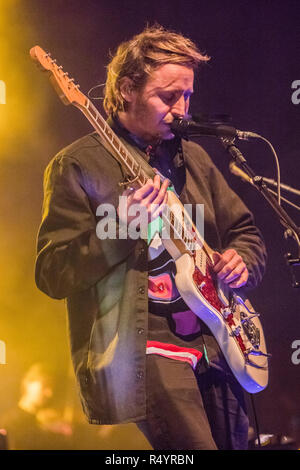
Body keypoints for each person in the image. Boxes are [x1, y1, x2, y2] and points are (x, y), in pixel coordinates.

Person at [35, 25, 267, 450]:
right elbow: (53, 273)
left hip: (217, 344)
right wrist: (123, 228)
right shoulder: (77, 166)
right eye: (168, 96)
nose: (182, 109)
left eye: (188, 96)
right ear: (127, 89)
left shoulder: (193, 159)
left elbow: (245, 233)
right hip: (148, 349)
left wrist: (239, 259)